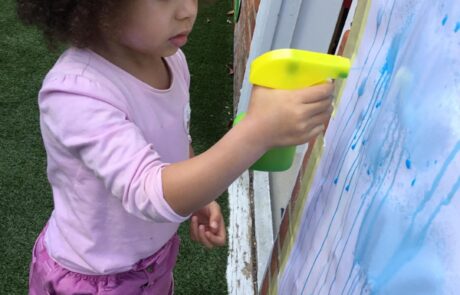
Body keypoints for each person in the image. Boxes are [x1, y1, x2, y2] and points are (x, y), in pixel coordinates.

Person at [17, 0, 334, 293]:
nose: (186, 11)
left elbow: (176, 135)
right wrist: (258, 130)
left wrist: (199, 194)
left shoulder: (171, 61)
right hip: (92, 278)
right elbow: (148, 192)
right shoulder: (77, 93)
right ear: (99, 7)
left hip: (152, 260)